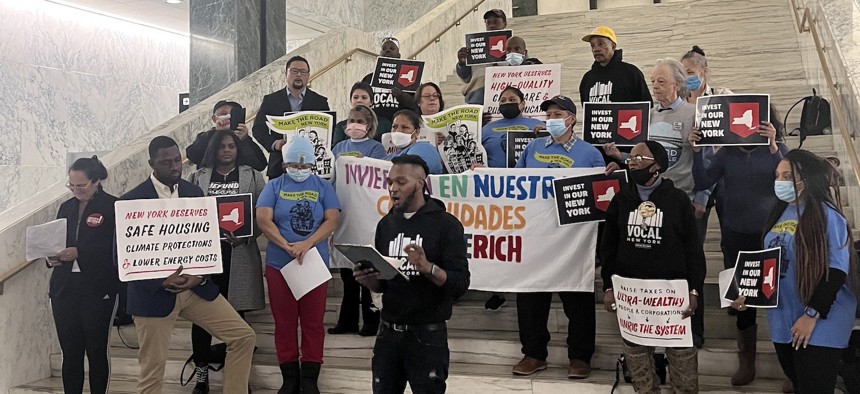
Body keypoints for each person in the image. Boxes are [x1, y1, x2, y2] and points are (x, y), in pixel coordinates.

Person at [120, 136, 255, 394]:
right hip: (153, 293)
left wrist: (200, 274)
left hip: (196, 289)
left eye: (176, 160)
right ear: (152, 163)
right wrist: (160, 280)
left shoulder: (194, 193)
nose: (174, 167)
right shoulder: (130, 201)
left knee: (243, 337)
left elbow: (206, 242)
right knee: (152, 370)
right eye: (166, 162)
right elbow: (122, 259)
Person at [732, 149, 857, 393]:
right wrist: (750, 294)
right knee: (800, 384)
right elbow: (771, 262)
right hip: (783, 319)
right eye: (777, 176)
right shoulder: (779, 213)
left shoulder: (828, 216)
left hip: (820, 319)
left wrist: (811, 316)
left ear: (807, 179)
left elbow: (836, 271)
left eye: (787, 176)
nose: (779, 182)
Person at [353, 154, 470, 393]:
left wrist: (428, 268)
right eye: (390, 182)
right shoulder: (386, 225)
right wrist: (371, 281)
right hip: (387, 333)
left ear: (420, 183)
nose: (393, 188)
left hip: (427, 336)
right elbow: (384, 285)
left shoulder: (447, 225)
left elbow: (460, 284)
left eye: (401, 182)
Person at [690, 114, 787, 386]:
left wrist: (773, 147)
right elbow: (703, 180)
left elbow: (788, 178)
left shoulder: (776, 150)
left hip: (771, 236)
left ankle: (791, 364)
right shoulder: (727, 153)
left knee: (779, 295)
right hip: (735, 235)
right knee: (742, 299)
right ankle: (747, 361)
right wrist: (697, 152)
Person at [600, 141, 705, 393]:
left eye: (640, 158)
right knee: (636, 354)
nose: (633, 162)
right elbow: (608, 248)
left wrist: (694, 290)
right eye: (631, 158)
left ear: (657, 166)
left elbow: (693, 249)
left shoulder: (678, 200)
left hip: (671, 293)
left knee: (681, 354)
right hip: (632, 294)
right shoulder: (620, 199)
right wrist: (607, 285)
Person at [511, 96, 603, 378]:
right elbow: (512, 185)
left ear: (571, 119)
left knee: (578, 299)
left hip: (572, 240)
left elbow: (599, 196)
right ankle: (534, 353)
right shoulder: (533, 147)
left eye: (557, 113)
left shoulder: (590, 154)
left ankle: (580, 356)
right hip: (535, 236)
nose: (550, 118)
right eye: (548, 113)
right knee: (530, 297)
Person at [256, 136, 341, 394]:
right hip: (279, 264)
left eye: (305, 166)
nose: (300, 170)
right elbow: (263, 219)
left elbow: (331, 219)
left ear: (312, 165)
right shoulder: (274, 186)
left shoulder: (323, 187)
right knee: (285, 322)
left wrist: (307, 243)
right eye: (295, 164)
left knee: (313, 322)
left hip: (313, 263)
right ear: (285, 164)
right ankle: (289, 377)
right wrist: (285, 245)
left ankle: (310, 379)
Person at [186, 130, 266, 393]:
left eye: (232, 145)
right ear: (213, 150)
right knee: (202, 319)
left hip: (240, 255)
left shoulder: (252, 176)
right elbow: (186, 214)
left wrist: (246, 237)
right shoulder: (198, 176)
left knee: (237, 320)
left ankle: (238, 379)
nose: (227, 150)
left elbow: (263, 214)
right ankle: (201, 377)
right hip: (207, 257)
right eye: (222, 147)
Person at [48, 156, 118, 394]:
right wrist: (52, 256)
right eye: (71, 185)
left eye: (81, 186)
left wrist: (80, 252)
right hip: (65, 287)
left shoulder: (112, 207)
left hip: (97, 288)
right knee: (71, 351)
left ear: (96, 181)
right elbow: (57, 239)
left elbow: (114, 249)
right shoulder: (66, 207)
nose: (76, 190)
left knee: (96, 351)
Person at [253, 55, 331, 179]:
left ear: (308, 75)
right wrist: (274, 144)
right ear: (286, 74)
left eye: (303, 72)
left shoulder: (320, 102)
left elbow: (328, 131)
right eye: (294, 71)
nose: (299, 75)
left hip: (311, 168)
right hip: (279, 166)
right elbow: (258, 129)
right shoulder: (271, 100)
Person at [186, 100, 267, 172]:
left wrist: (244, 141)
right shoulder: (205, 137)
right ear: (214, 118)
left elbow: (260, 165)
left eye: (232, 113)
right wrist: (216, 134)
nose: (228, 117)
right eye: (224, 113)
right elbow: (192, 154)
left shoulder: (244, 138)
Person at [578, 26, 652, 104]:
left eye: (600, 44)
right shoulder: (587, 79)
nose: (596, 49)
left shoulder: (631, 73)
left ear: (613, 46)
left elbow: (646, 108)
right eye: (592, 45)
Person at [360, 37, 420, 125]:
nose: (387, 51)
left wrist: (402, 95)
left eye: (392, 48)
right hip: (374, 126)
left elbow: (416, 105)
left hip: (401, 126)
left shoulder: (410, 78)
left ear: (399, 55)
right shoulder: (369, 79)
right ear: (379, 55)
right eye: (384, 49)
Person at [481, 86, 544, 168]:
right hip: (495, 179)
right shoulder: (486, 128)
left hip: (529, 178)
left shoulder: (537, 124)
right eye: (503, 100)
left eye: (512, 100)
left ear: (522, 104)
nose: (507, 103)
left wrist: (544, 134)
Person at [455, 9, 508, 105]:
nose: (492, 25)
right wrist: (462, 63)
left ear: (504, 23)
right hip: (477, 99)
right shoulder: (475, 46)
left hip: (506, 98)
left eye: (496, 21)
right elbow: (465, 78)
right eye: (488, 23)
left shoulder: (514, 45)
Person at [384, 109, 443, 174]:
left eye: (405, 127)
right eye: (394, 127)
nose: (398, 131)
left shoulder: (424, 148)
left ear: (416, 132)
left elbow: (411, 172)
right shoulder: (388, 157)